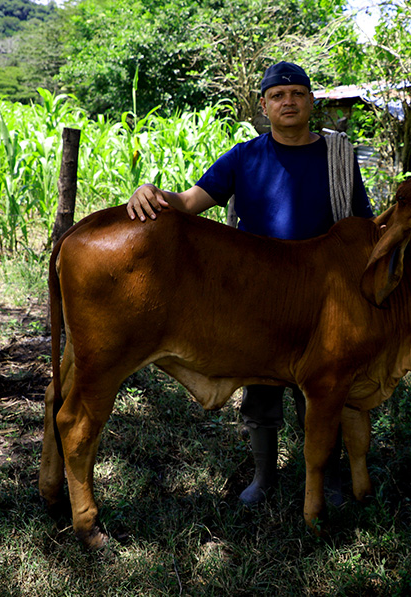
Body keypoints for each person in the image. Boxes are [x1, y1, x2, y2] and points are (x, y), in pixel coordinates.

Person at [126, 61, 374, 505]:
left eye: (297, 93)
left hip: (325, 296)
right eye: (278, 96)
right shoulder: (245, 157)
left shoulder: (338, 156)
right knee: (260, 390)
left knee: (324, 389)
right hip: (259, 296)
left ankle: (327, 479)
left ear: (311, 101)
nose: (289, 102)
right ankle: (264, 477)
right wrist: (151, 192)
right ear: (264, 106)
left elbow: (361, 227)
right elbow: (188, 203)